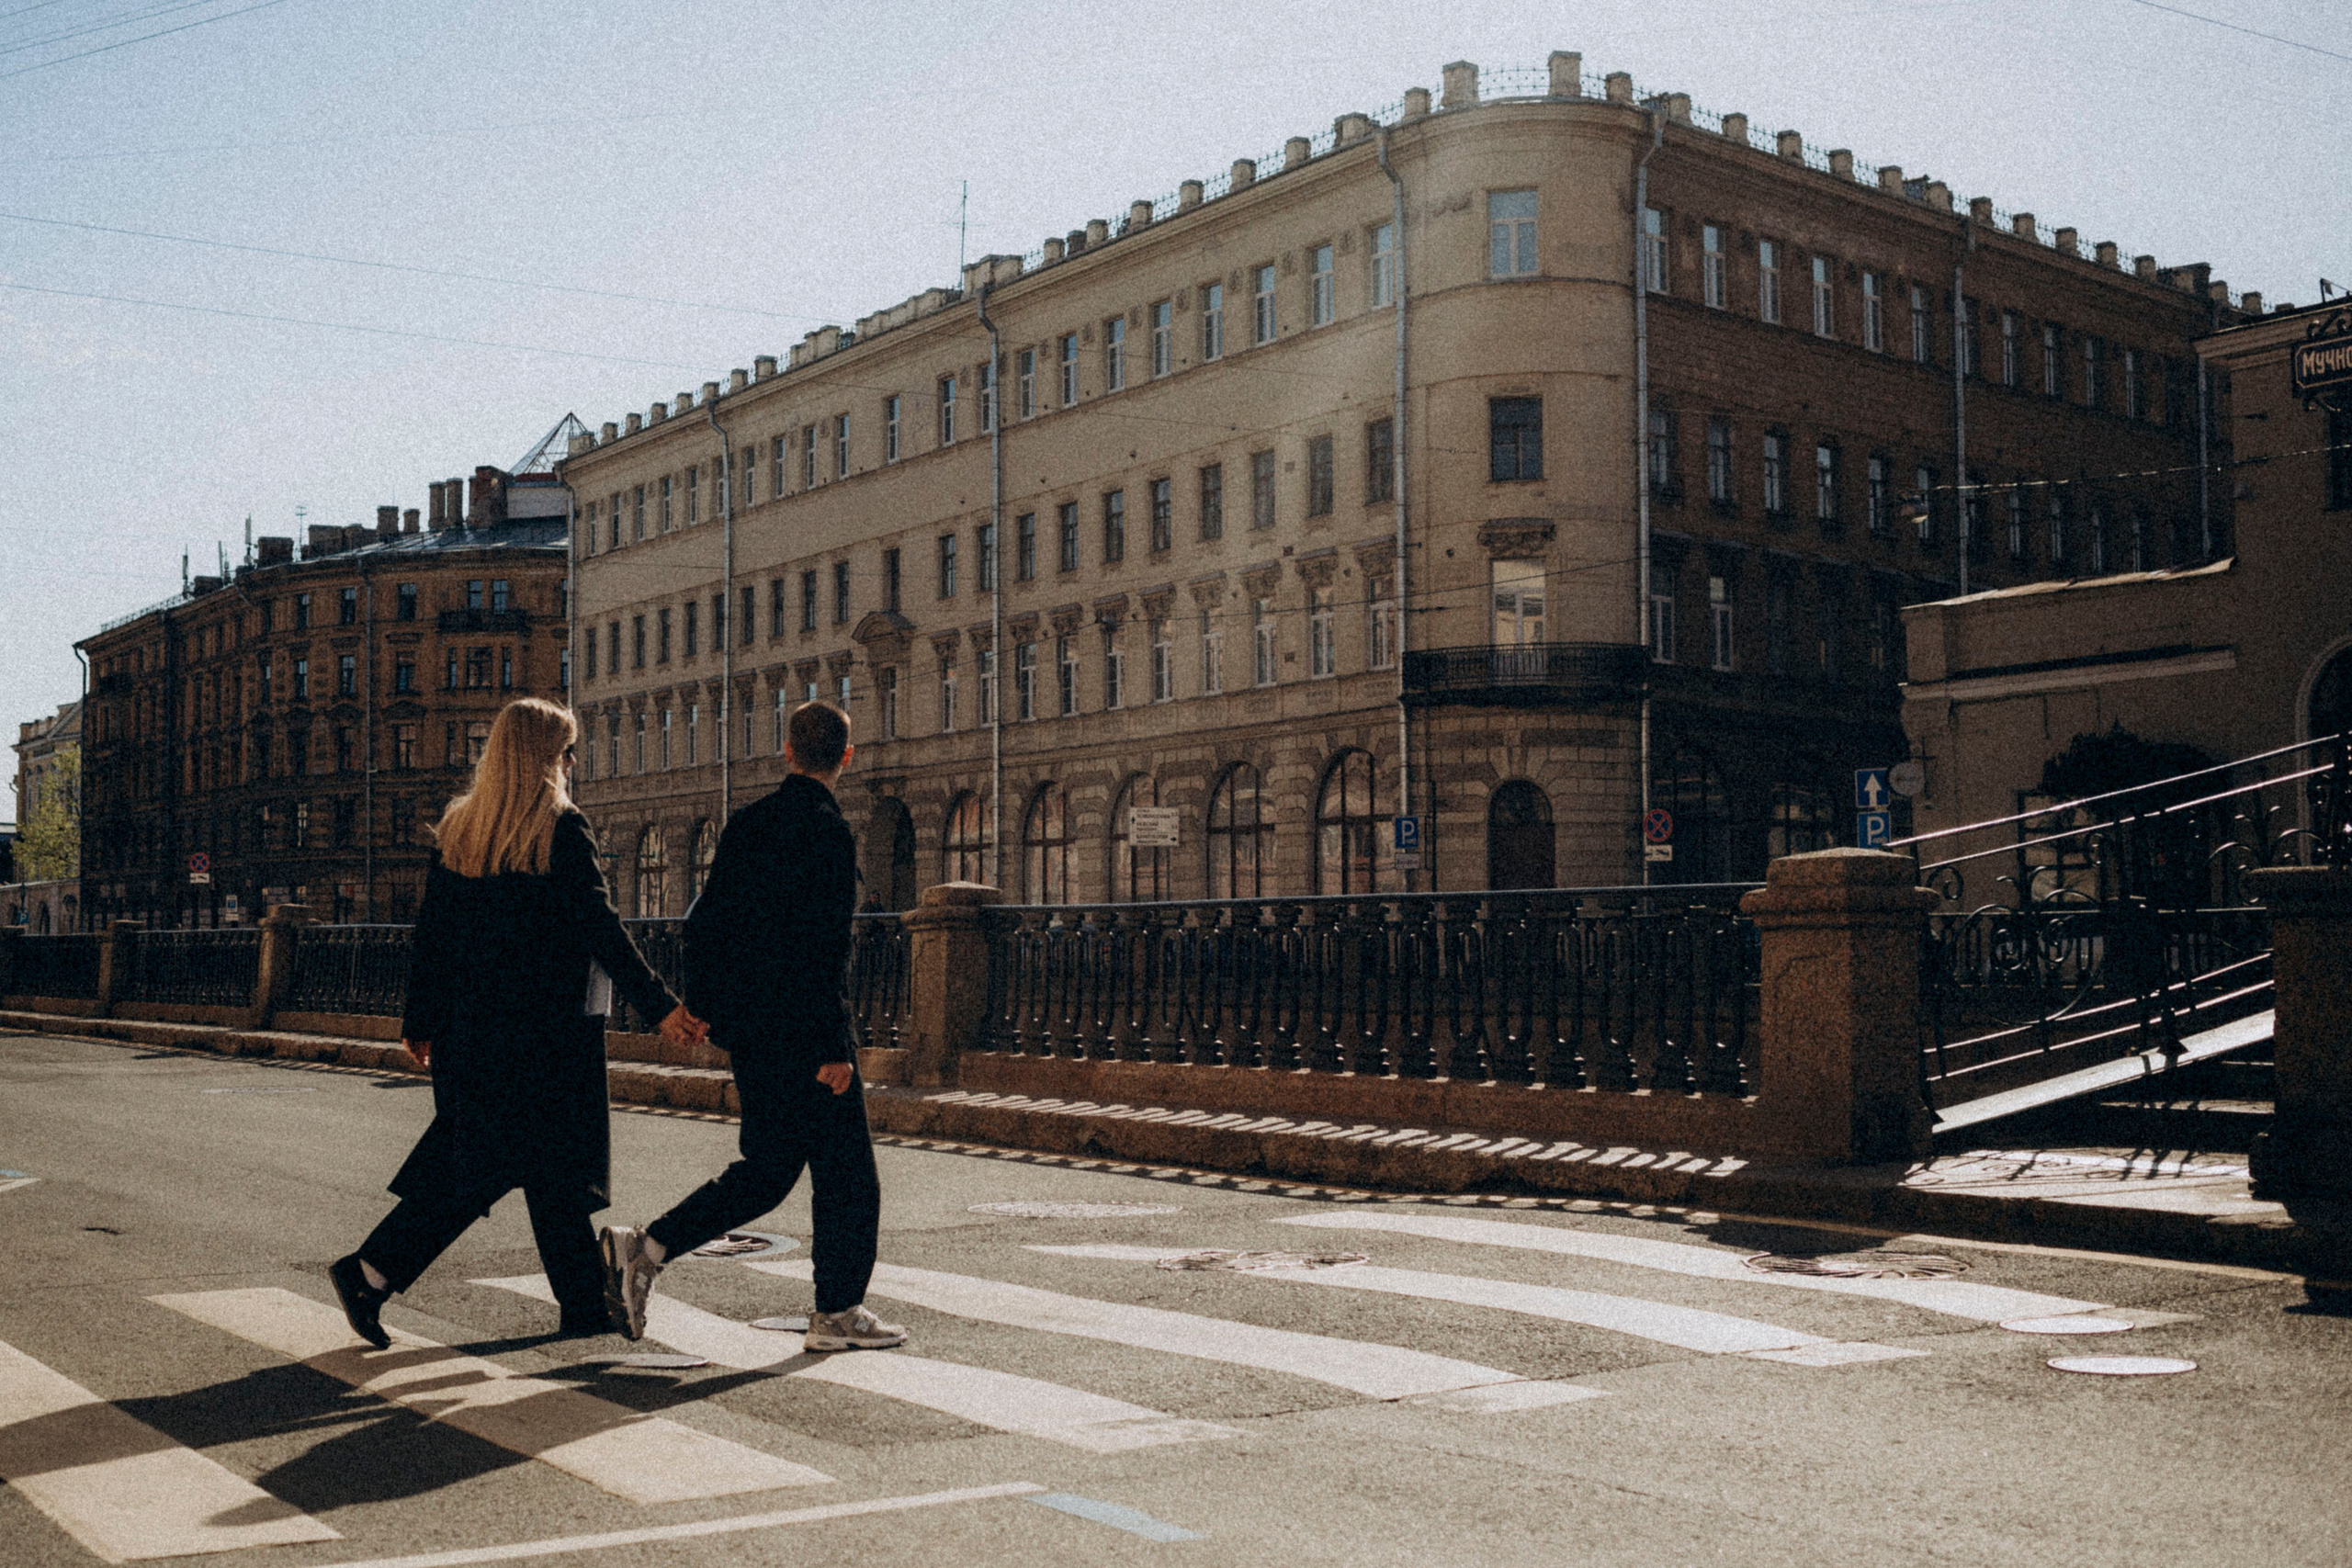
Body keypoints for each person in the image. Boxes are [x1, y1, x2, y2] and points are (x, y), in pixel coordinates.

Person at [329, 697, 705, 1348]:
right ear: (541, 758)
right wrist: (662, 1006)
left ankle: (580, 1301)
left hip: (471, 1037)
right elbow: (602, 930)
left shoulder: (460, 829)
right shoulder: (560, 827)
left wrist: (419, 1021)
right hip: (545, 1039)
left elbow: (433, 939)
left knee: (525, 1169)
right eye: (565, 751)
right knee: (498, 1170)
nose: (571, 762)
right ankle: (368, 1271)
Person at [598, 699, 906, 1353]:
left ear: (787, 752)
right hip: (805, 1034)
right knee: (850, 1175)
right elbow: (823, 948)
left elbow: (706, 926)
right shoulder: (827, 828)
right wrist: (834, 1045)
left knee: (767, 1171)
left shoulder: (748, 823)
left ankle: (646, 1247)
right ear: (846, 758)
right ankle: (837, 1310)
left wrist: (703, 1007)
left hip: (755, 1032)